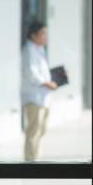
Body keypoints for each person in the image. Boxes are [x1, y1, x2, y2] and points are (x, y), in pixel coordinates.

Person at [21, 21, 57, 162]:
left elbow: (42, 72)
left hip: (43, 97)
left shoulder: (39, 49)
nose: (45, 36)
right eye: (42, 33)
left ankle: (34, 159)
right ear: (33, 35)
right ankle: (30, 161)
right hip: (34, 98)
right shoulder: (28, 50)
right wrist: (47, 83)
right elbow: (32, 74)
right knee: (33, 131)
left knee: (41, 130)